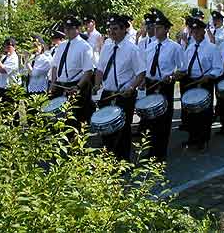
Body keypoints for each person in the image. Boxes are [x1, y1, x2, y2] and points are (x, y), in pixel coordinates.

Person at [93, 14, 146, 160]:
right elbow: (100, 69)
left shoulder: (132, 49)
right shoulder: (107, 46)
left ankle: (123, 161)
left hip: (124, 94)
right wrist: (97, 84)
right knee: (105, 127)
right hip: (108, 92)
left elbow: (141, 72)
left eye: (115, 29)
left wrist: (131, 87)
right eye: (110, 29)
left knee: (122, 129)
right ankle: (108, 159)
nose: (111, 32)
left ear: (124, 30)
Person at [143, 12, 184, 160]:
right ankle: (151, 150)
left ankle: (160, 153)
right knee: (150, 120)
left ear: (166, 30)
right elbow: (145, 66)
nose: (156, 30)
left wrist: (173, 76)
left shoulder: (174, 47)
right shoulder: (150, 46)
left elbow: (182, 69)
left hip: (164, 85)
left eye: (159, 28)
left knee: (163, 120)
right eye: (155, 27)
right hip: (150, 85)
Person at [178, 17, 223, 149]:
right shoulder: (190, 47)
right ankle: (192, 138)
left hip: (204, 82)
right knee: (190, 112)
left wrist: (209, 76)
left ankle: (203, 140)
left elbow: (218, 68)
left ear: (204, 31)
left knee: (204, 113)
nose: (195, 33)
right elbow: (185, 65)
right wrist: (180, 73)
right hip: (190, 81)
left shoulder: (212, 48)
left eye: (198, 31)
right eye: (193, 31)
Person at [50, 15, 95, 129]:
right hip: (60, 85)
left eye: (70, 28)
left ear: (77, 29)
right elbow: (55, 66)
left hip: (75, 85)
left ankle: (74, 144)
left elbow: (88, 71)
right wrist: (53, 82)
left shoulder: (85, 46)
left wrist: (78, 87)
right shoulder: (62, 46)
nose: (67, 31)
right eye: (66, 28)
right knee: (59, 120)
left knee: (74, 121)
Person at [0, 37, 22, 124]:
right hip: (2, 86)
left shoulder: (14, 58)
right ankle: (7, 128)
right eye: (6, 46)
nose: (7, 48)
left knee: (12, 109)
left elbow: (3, 70)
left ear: (14, 47)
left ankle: (15, 128)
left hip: (11, 87)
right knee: (4, 110)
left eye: (9, 46)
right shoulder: (4, 57)